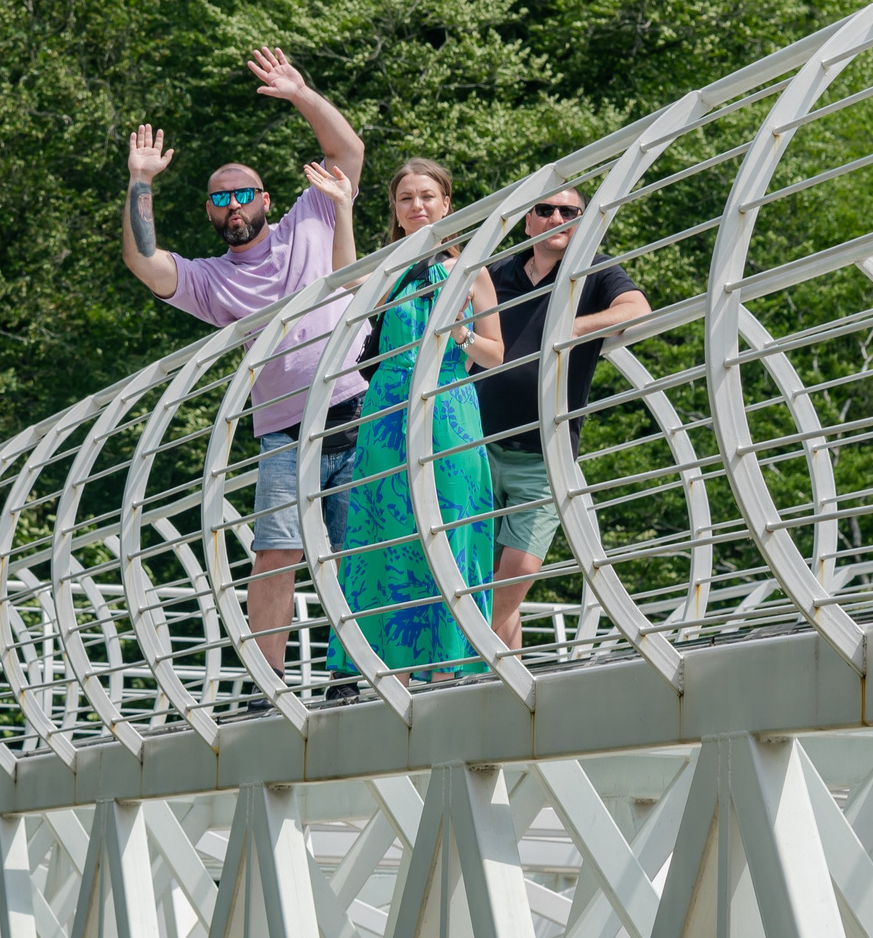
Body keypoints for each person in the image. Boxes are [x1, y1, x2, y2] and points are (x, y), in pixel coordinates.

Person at [120, 46, 369, 684]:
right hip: (283, 429)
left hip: (358, 407)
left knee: (362, 548)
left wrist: (301, 95)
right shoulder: (210, 280)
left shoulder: (309, 217)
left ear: (263, 198)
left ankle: (355, 675)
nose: (234, 205)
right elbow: (146, 264)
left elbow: (348, 154)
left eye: (244, 194)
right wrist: (140, 180)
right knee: (276, 555)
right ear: (209, 212)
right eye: (221, 198)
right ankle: (267, 686)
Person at [331, 158, 505, 690]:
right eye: (406, 198)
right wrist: (342, 208)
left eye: (427, 196)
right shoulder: (389, 270)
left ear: (447, 203)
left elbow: (496, 354)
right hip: (387, 409)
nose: (417, 206)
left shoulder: (471, 270)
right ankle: (395, 670)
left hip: (449, 405)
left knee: (449, 522)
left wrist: (463, 340)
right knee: (389, 526)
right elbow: (345, 281)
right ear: (396, 211)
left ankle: (451, 665)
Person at [474, 188, 650, 650]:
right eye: (545, 210)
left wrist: (574, 328)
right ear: (528, 221)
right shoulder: (498, 273)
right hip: (476, 442)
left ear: (582, 220)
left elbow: (637, 309)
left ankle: (458, 645)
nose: (556, 218)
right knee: (478, 570)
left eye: (569, 211)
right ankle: (502, 682)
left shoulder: (592, 271)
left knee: (521, 569)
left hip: (543, 453)